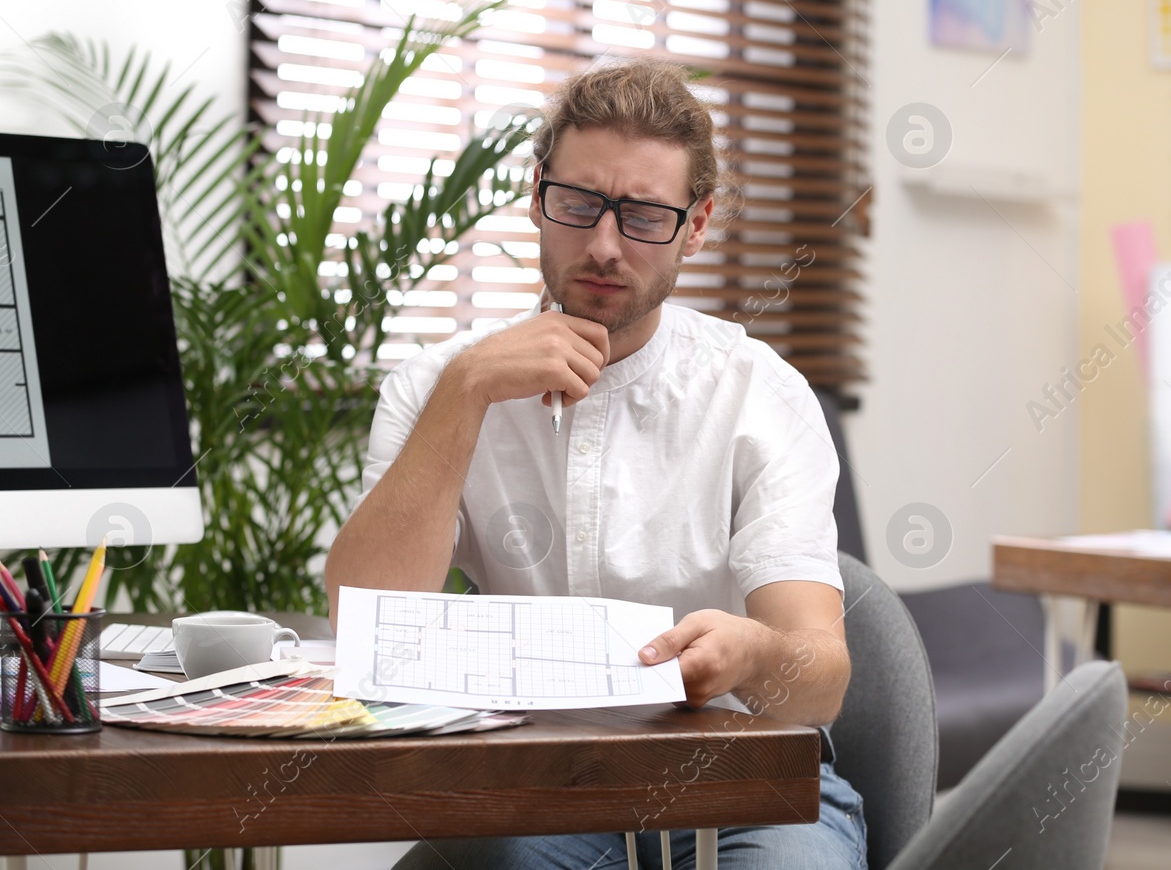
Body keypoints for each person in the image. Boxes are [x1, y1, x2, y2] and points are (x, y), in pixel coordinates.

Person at [325, 57, 867, 870]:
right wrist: (466, 392)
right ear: (538, 194)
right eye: (579, 206)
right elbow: (365, 626)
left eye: (645, 216)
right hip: (533, 792)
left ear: (699, 222)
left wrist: (752, 654)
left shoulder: (760, 395)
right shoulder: (440, 385)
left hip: (743, 787)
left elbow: (821, 679)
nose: (604, 246)